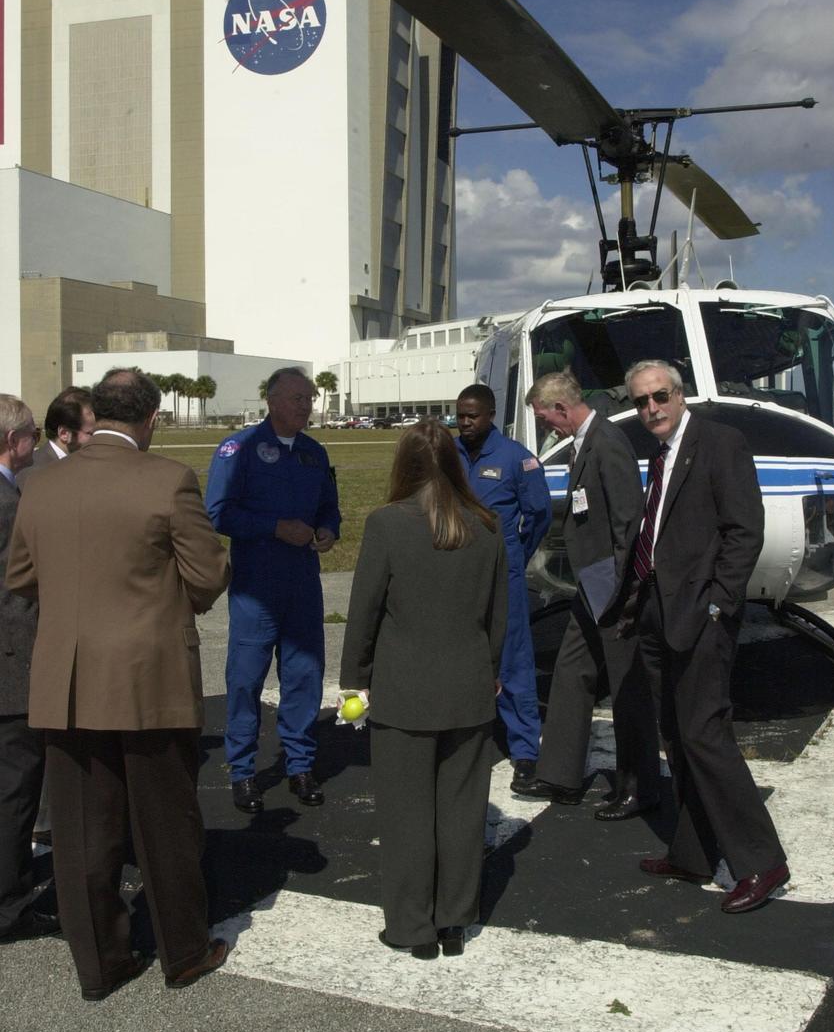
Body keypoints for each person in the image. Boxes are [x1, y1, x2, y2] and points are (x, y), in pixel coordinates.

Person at [6, 369, 230, 998]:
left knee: (80, 833)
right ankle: (183, 951)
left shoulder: (39, 485)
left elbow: (22, 576)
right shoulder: (168, 479)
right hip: (147, 675)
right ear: (151, 417)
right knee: (165, 821)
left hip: (66, 677)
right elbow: (208, 577)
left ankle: (100, 965)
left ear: (94, 413)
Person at [624, 359, 789, 913]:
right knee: (677, 732)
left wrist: (720, 602)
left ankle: (762, 863)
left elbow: (746, 529)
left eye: (660, 396)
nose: (652, 409)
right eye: (643, 401)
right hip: (657, 614)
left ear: (680, 393)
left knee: (705, 733)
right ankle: (693, 853)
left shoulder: (721, 442)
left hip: (701, 615)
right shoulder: (660, 453)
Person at [340, 420, 508, 958]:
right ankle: (454, 920)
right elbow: (499, 617)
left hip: (404, 688)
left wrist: (354, 680)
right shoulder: (487, 525)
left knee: (406, 814)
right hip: (469, 683)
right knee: (462, 812)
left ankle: (412, 927)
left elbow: (363, 611)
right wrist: (492, 669)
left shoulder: (388, 523)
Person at [515, 372, 660, 818]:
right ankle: (561, 775)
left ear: (561, 408)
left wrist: (624, 588)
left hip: (613, 589)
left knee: (627, 690)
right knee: (571, 670)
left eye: (545, 419)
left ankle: (637, 786)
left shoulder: (607, 442)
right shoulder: (584, 442)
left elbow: (628, 523)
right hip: (591, 587)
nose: (546, 428)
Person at [206, 367, 341, 811]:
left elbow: (329, 508)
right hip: (256, 586)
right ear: (272, 400)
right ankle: (243, 770)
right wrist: (274, 528)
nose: (306, 406)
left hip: (302, 584)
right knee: (245, 679)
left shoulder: (314, 453)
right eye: (297, 398)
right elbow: (218, 513)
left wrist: (327, 529)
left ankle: (300, 763)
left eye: (310, 399)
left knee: (304, 676)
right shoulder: (239, 448)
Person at [454, 384, 551, 788]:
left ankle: (525, 748)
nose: (464, 422)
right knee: (458, 655)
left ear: (491, 413)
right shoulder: (448, 454)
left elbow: (539, 513)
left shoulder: (516, 458)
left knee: (512, 659)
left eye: (472, 415)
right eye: (459, 415)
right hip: (456, 572)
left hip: (502, 571)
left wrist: (515, 555)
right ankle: (459, 736)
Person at [18, 385, 96, 845]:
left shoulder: (85, 469)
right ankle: (45, 820)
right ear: (65, 433)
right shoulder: (35, 476)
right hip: (43, 617)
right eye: (91, 430)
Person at [0, 396, 58, 943]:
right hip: (12, 663)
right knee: (16, 792)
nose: (35, 445)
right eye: (32, 436)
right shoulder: (11, 503)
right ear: (15, 440)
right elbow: (23, 587)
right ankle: (10, 907)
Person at [16, 387, 96, 488]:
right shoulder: (35, 472)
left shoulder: (86, 463)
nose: (98, 438)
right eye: (91, 433)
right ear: (64, 434)